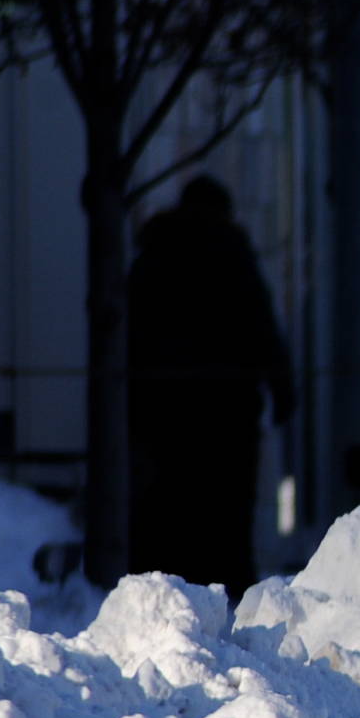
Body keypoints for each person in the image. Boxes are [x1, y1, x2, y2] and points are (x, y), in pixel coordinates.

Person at [127, 174, 294, 599]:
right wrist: (282, 390)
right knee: (226, 517)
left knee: (166, 512)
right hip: (228, 407)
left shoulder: (154, 252)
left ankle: (159, 597)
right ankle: (228, 598)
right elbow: (261, 325)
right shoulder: (231, 250)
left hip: (164, 407)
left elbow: (131, 333)